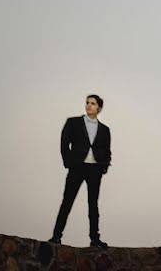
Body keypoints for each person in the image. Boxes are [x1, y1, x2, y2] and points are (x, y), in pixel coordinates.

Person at [48, 94, 112, 248]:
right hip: (77, 167)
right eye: (87, 103)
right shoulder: (73, 122)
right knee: (67, 201)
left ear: (99, 108)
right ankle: (56, 236)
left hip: (94, 169)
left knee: (93, 205)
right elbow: (64, 143)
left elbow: (107, 151)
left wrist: (103, 166)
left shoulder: (105, 129)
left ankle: (95, 240)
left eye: (93, 103)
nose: (89, 105)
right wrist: (69, 163)